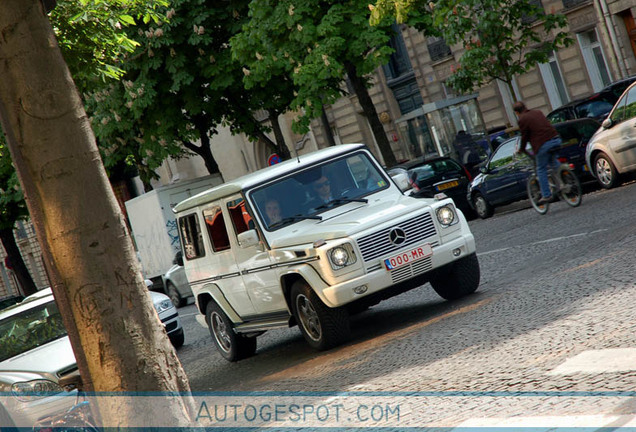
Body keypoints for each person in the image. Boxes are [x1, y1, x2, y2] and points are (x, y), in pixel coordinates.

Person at [513, 101, 562, 204]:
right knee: (553, 161)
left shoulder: (522, 119)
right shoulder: (538, 112)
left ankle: (546, 195)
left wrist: (521, 149)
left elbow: (524, 136)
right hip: (556, 139)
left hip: (543, 144)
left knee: (541, 169)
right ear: (525, 107)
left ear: (517, 112)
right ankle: (564, 180)